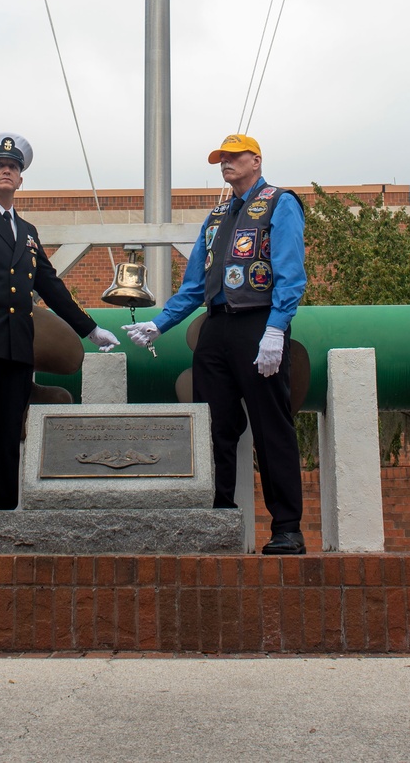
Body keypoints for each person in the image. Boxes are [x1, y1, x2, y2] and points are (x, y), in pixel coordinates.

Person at [0, 133, 119, 553]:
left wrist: (89, 328)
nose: (7, 171)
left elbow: (51, 287)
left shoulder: (28, 231)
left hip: (18, 352)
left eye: (14, 167)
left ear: (21, 179)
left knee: (4, 445)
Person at [124, 133, 307, 554]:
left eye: (234, 156)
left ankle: (286, 528)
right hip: (217, 328)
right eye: (221, 158)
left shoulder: (281, 202)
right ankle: (218, 518)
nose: (226, 163)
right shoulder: (218, 214)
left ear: (256, 160)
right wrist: (159, 324)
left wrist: (277, 329)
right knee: (214, 426)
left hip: (259, 323)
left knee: (271, 426)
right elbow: (194, 287)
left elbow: (290, 273)